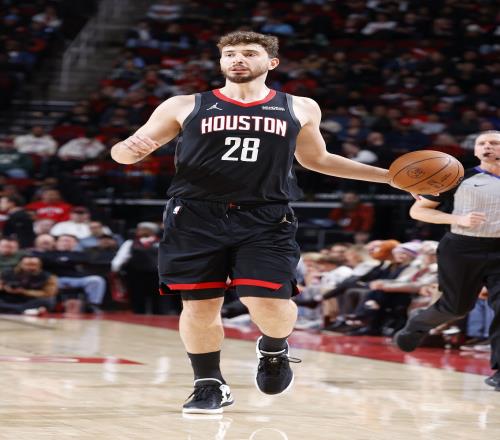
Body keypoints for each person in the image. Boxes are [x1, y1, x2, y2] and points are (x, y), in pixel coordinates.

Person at [111, 31, 397, 415]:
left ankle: (274, 348)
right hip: (194, 215)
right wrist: (127, 151)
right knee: (199, 306)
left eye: (248, 53)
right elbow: (126, 151)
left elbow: (318, 160)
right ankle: (208, 384)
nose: (237, 59)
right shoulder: (185, 104)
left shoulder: (299, 106)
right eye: (230, 54)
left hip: (266, 216)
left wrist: (390, 177)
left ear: (272, 62)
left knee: (269, 304)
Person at [394, 130, 500, 392]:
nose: (487, 146)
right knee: (456, 307)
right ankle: (417, 324)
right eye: (481, 143)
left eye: (494, 143)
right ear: (475, 151)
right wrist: (457, 219)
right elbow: (418, 210)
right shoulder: (455, 177)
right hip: (462, 248)